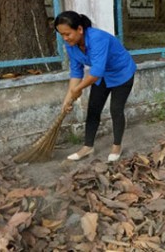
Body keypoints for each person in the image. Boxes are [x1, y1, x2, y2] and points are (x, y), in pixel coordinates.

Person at [54, 11, 137, 162]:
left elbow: (96, 72)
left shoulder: (97, 38)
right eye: (62, 35)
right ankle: (87, 147)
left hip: (122, 73)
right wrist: (68, 96)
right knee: (93, 109)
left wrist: (78, 89)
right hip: (102, 75)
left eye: (67, 34)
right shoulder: (71, 45)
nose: (65, 39)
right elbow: (76, 70)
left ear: (79, 29)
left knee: (116, 109)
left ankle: (116, 146)